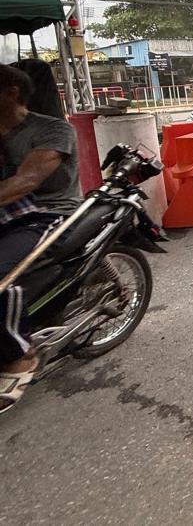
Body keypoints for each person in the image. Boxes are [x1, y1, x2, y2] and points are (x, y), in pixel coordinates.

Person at [0, 64, 82, 411]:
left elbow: (27, 181)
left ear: (11, 91)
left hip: (47, 213)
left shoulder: (51, 130)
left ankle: (21, 356)